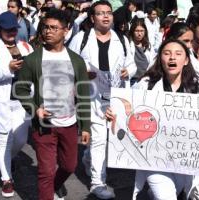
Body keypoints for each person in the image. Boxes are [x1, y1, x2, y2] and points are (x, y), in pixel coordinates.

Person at [106, 39, 199, 200]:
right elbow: (126, 112)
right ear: (160, 59)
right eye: (167, 53)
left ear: (186, 60)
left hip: (182, 161)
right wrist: (113, 114)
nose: (172, 58)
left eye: (178, 54)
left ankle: (152, 193)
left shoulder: (197, 88)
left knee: (174, 192)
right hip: (153, 159)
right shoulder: (146, 86)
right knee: (167, 196)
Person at [15, 9, 91, 200]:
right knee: (46, 172)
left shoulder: (76, 61)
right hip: (44, 127)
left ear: (65, 31)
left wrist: (85, 126)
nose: (48, 31)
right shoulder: (33, 60)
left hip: (69, 124)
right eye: (45, 27)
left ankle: (54, 188)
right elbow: (21, 90)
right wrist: (35, 109)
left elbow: (83, 95)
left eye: (54, 28)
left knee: (69, 166)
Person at [69, 1, 136, 199]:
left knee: (108, 139)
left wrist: (127, 71)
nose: (106, 17)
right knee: (99, 139)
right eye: (100, 13)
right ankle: (98, 183)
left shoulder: (122, 40)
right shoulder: (81, 39)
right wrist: (82, 74)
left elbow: (131, 65)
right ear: (92, 18)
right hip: (91, 95)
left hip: (115, 95)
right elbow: (70, 64)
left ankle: (88, 157)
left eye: (108, 13)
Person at [0, 11, 33, 197]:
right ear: (0, 29)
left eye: (13, 29)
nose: (11, 33)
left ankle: (8, 159)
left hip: (22, 101)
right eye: (7, 30)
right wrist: (7, 69)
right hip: (0, 101)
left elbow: (35, 69)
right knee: (4, 139)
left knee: (20, 139)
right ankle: (6, 179)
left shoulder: (26, 46)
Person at [128, 17, 155, 85]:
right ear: (132, 31)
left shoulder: (148, 46)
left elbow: (152, 62)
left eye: (142, 31)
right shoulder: (128, 44)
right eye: (137, 31)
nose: (139, 34)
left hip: (145, 80)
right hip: (132, 80)